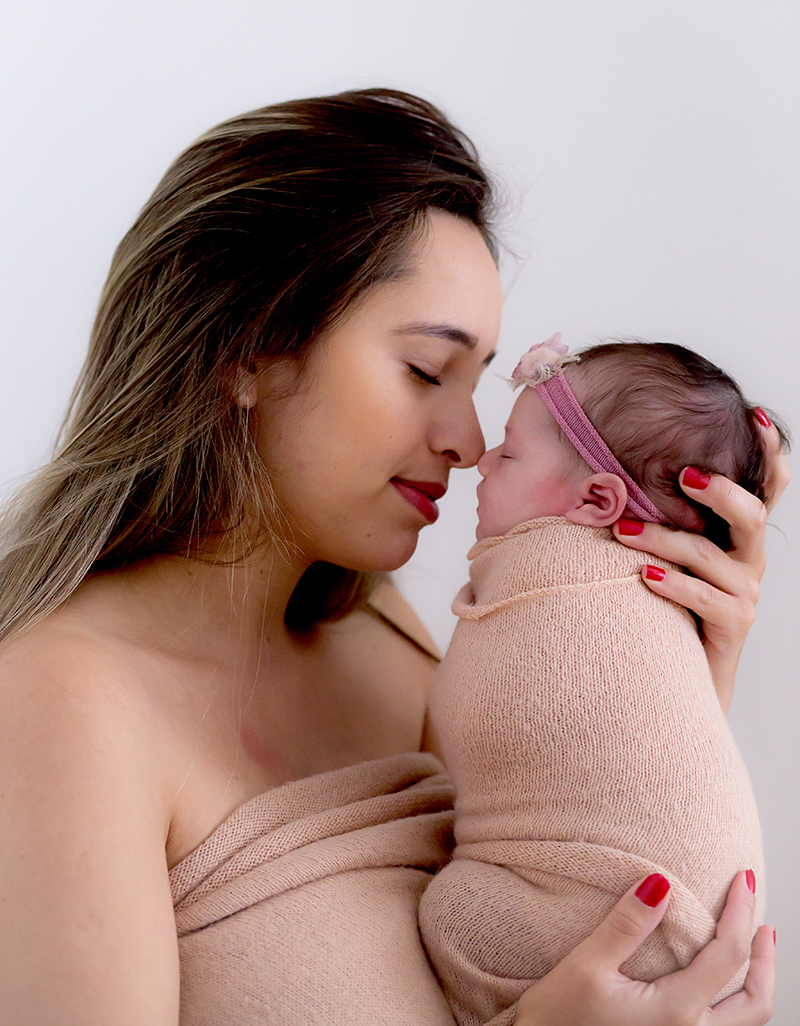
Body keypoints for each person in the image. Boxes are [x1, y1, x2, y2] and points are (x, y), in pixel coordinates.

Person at [0, 90, 785, 1026]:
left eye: (475, 381)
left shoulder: (390, 634)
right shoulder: (60, 701)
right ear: (250, 349)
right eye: (424, 370)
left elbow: (546, 915)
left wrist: (678, 668)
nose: (468, 439)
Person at [419, 336, 790, 1026]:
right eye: (422, 370)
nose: (480, 458)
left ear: (596, 499)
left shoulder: (551, 578)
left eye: (509, 453)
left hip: (633, 921)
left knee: (458, 919)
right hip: (689, 925)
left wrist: (714, 664)